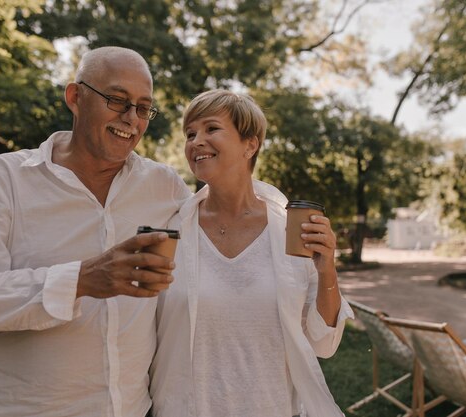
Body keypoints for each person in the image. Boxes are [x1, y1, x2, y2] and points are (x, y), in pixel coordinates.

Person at [0, 46, 192, 417]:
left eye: (143, 107)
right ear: (75, 97)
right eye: (117, 100)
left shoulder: (163, 186)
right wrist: (79, 280)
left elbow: (219, 233)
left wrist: (289, 226)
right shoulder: (4, 179)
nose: (131, 119)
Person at [149, 89, 354, 417]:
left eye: (211, 128)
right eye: (190, 133)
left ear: (250, 144)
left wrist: (327, 269)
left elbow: (324, 343)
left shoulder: (291, 230)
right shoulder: (171, 228)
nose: (196, 141)